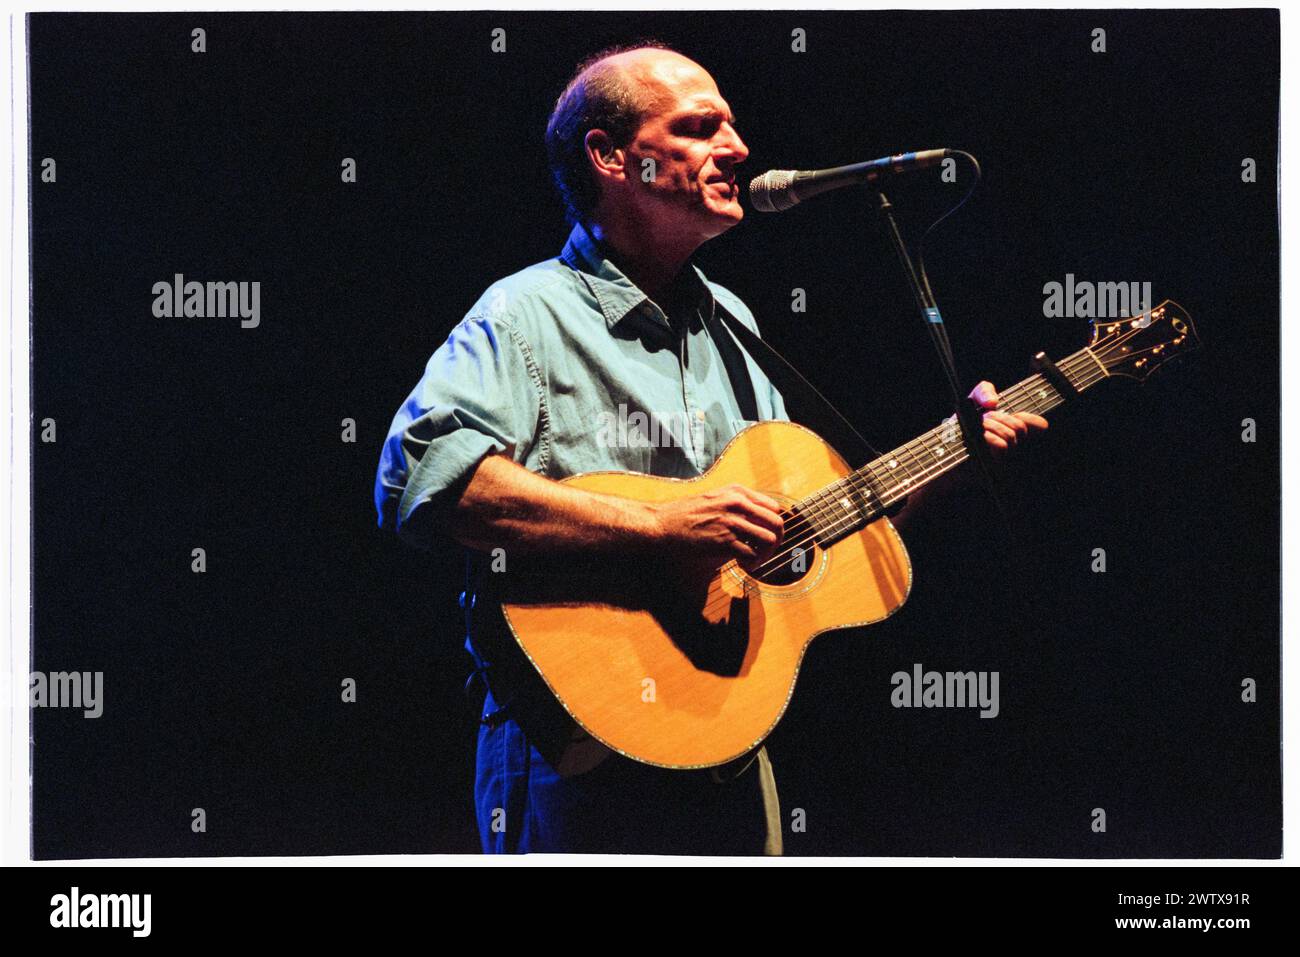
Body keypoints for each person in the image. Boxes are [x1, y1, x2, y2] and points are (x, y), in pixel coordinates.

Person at [374, 43, 1047, 855]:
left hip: (727, 745)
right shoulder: (524, 315)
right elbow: (422, 479)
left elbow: (802, 537)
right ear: (613, 157)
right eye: (699, 128)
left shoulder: (733, 323)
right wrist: (657, 529)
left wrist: (951, 458)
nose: (737, 148)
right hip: (578, 754)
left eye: (731, 125)